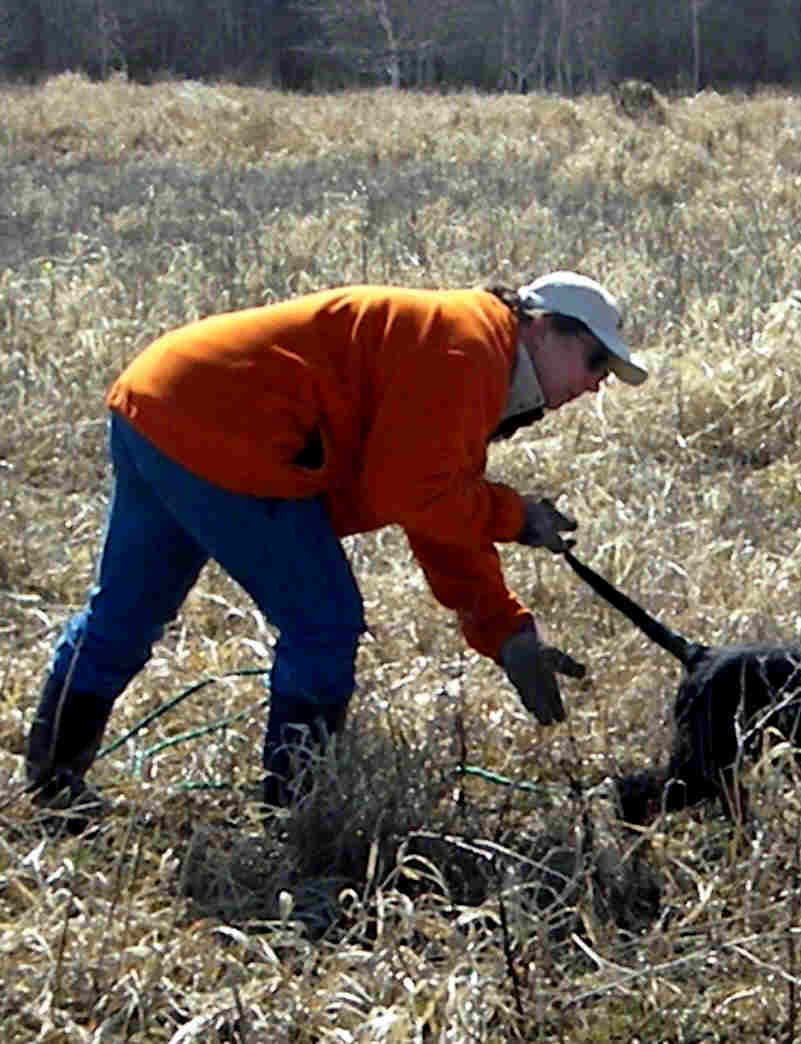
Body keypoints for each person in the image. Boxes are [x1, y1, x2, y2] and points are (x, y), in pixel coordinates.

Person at [25, 271, 648, 817]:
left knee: (125, 614)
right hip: (229, 432)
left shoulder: (470, 346)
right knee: (323, 623)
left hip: (159, 400)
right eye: (595, 362)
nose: (595, 386)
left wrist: (504, 629)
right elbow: (416, 492)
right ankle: (294, 818)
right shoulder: (470, 350)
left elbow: (433, 501)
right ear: (542, 327)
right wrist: (513, 517)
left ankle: (50, 785)